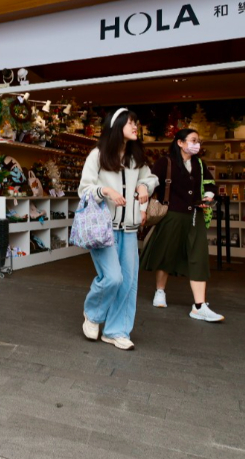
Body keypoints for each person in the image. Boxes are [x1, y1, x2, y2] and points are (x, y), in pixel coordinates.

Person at [78, 108, 158, 350]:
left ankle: (115, 331)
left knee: (128, 283)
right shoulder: (98, 155)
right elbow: (85, 189)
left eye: (137, 122)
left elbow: (151, 178)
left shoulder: (135, 158)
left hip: (131, 229)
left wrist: (144, 186)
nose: (136, 127)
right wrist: (105, 191)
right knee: (112, 277)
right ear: (117, 125)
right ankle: (92, 314)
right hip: (104, 229)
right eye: (131, 123)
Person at [140, 128, 223, 322]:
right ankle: (160, 291)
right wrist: (142, 203)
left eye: (198, 141)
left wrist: (208, 195)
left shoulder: (200, 164)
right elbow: (150, 183)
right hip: (171, 215)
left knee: (198, 256)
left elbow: (210, 184)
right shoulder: (165, 162)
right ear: (180, 143)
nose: (197, 144)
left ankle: (200, 305)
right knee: (166, 252)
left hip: (195, 215)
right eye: (193, 140)